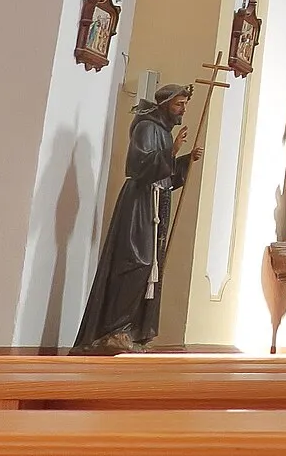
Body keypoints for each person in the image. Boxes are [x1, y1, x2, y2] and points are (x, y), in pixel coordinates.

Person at [73, 84, 199, 353]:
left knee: (151, 268)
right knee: (136, 265)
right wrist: (172, 152)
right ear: (165, 104)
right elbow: (138, 166)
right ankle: (114, 330)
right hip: (139, 205)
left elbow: (164, 175)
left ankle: (133, 331)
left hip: (155, 206)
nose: (183, 110)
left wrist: (185, 161)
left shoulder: (164, 132)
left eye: (185, 105)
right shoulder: (146, 128)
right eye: (179, 105)